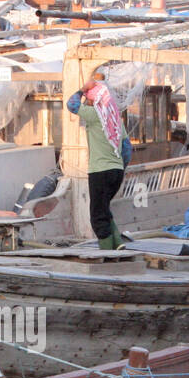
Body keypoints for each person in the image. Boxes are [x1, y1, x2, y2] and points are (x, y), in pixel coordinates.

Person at [66, 71, 128, 249]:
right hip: (116, 171)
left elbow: (71, 104)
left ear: (94, 100)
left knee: (97, 216)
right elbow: (127, 149)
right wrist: (120, 168)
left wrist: (81, 89)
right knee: (104, 210)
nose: (86, 101)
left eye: (88, 98)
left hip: (99, 171)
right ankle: (118, 244)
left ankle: (107, 252)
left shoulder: (95, 115)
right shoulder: (116, 119)